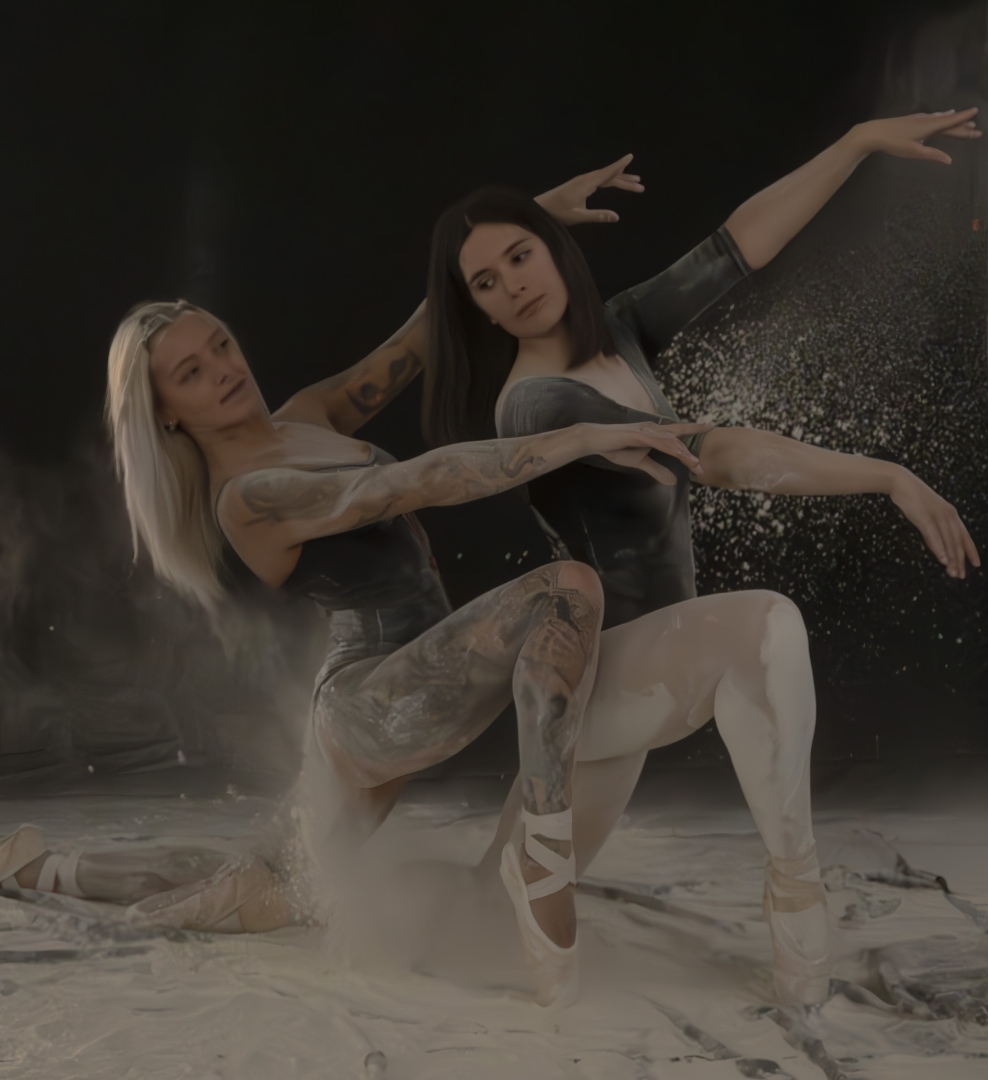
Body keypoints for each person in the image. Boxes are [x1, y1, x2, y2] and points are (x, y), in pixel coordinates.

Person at [0, 298, 712, 1008]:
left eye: (220, 344)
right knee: (566, 589)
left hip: (383, 691)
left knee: (277, 879)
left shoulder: (305, 419)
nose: (224, 369)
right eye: (191, 372)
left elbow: (408, 346)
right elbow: (415, 483)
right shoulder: (246, 498)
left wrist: (518, 227)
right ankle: (542, 863)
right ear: (167, 413)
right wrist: (579, 435)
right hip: (374, 702)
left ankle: (37, 866)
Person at [419, 109, 982, 1003]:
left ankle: (443, 894)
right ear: (477, 308)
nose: (513, 287)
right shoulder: (534, 405)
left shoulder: (619, 331)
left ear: (554, 247)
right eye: (486, 282)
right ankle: (796, 894)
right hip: (598, 683)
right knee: (765, 625)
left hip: (641, 675)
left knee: (489, 899)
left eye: (520, 256)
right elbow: (711, 453)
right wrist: (885, 474)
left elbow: (735, 246)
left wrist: (854, 143)